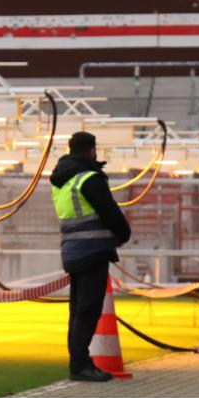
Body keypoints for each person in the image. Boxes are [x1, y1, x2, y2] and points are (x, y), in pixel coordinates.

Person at [49, 132, 132, 382]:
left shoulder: (62, 181)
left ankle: (79, 362)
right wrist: (123, 234)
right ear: (92, 151)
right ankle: (80, 366)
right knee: (88, 310)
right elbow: (111, 212)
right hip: (93, 250)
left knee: (78, 310)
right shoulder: (89, 179)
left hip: (73, 250)